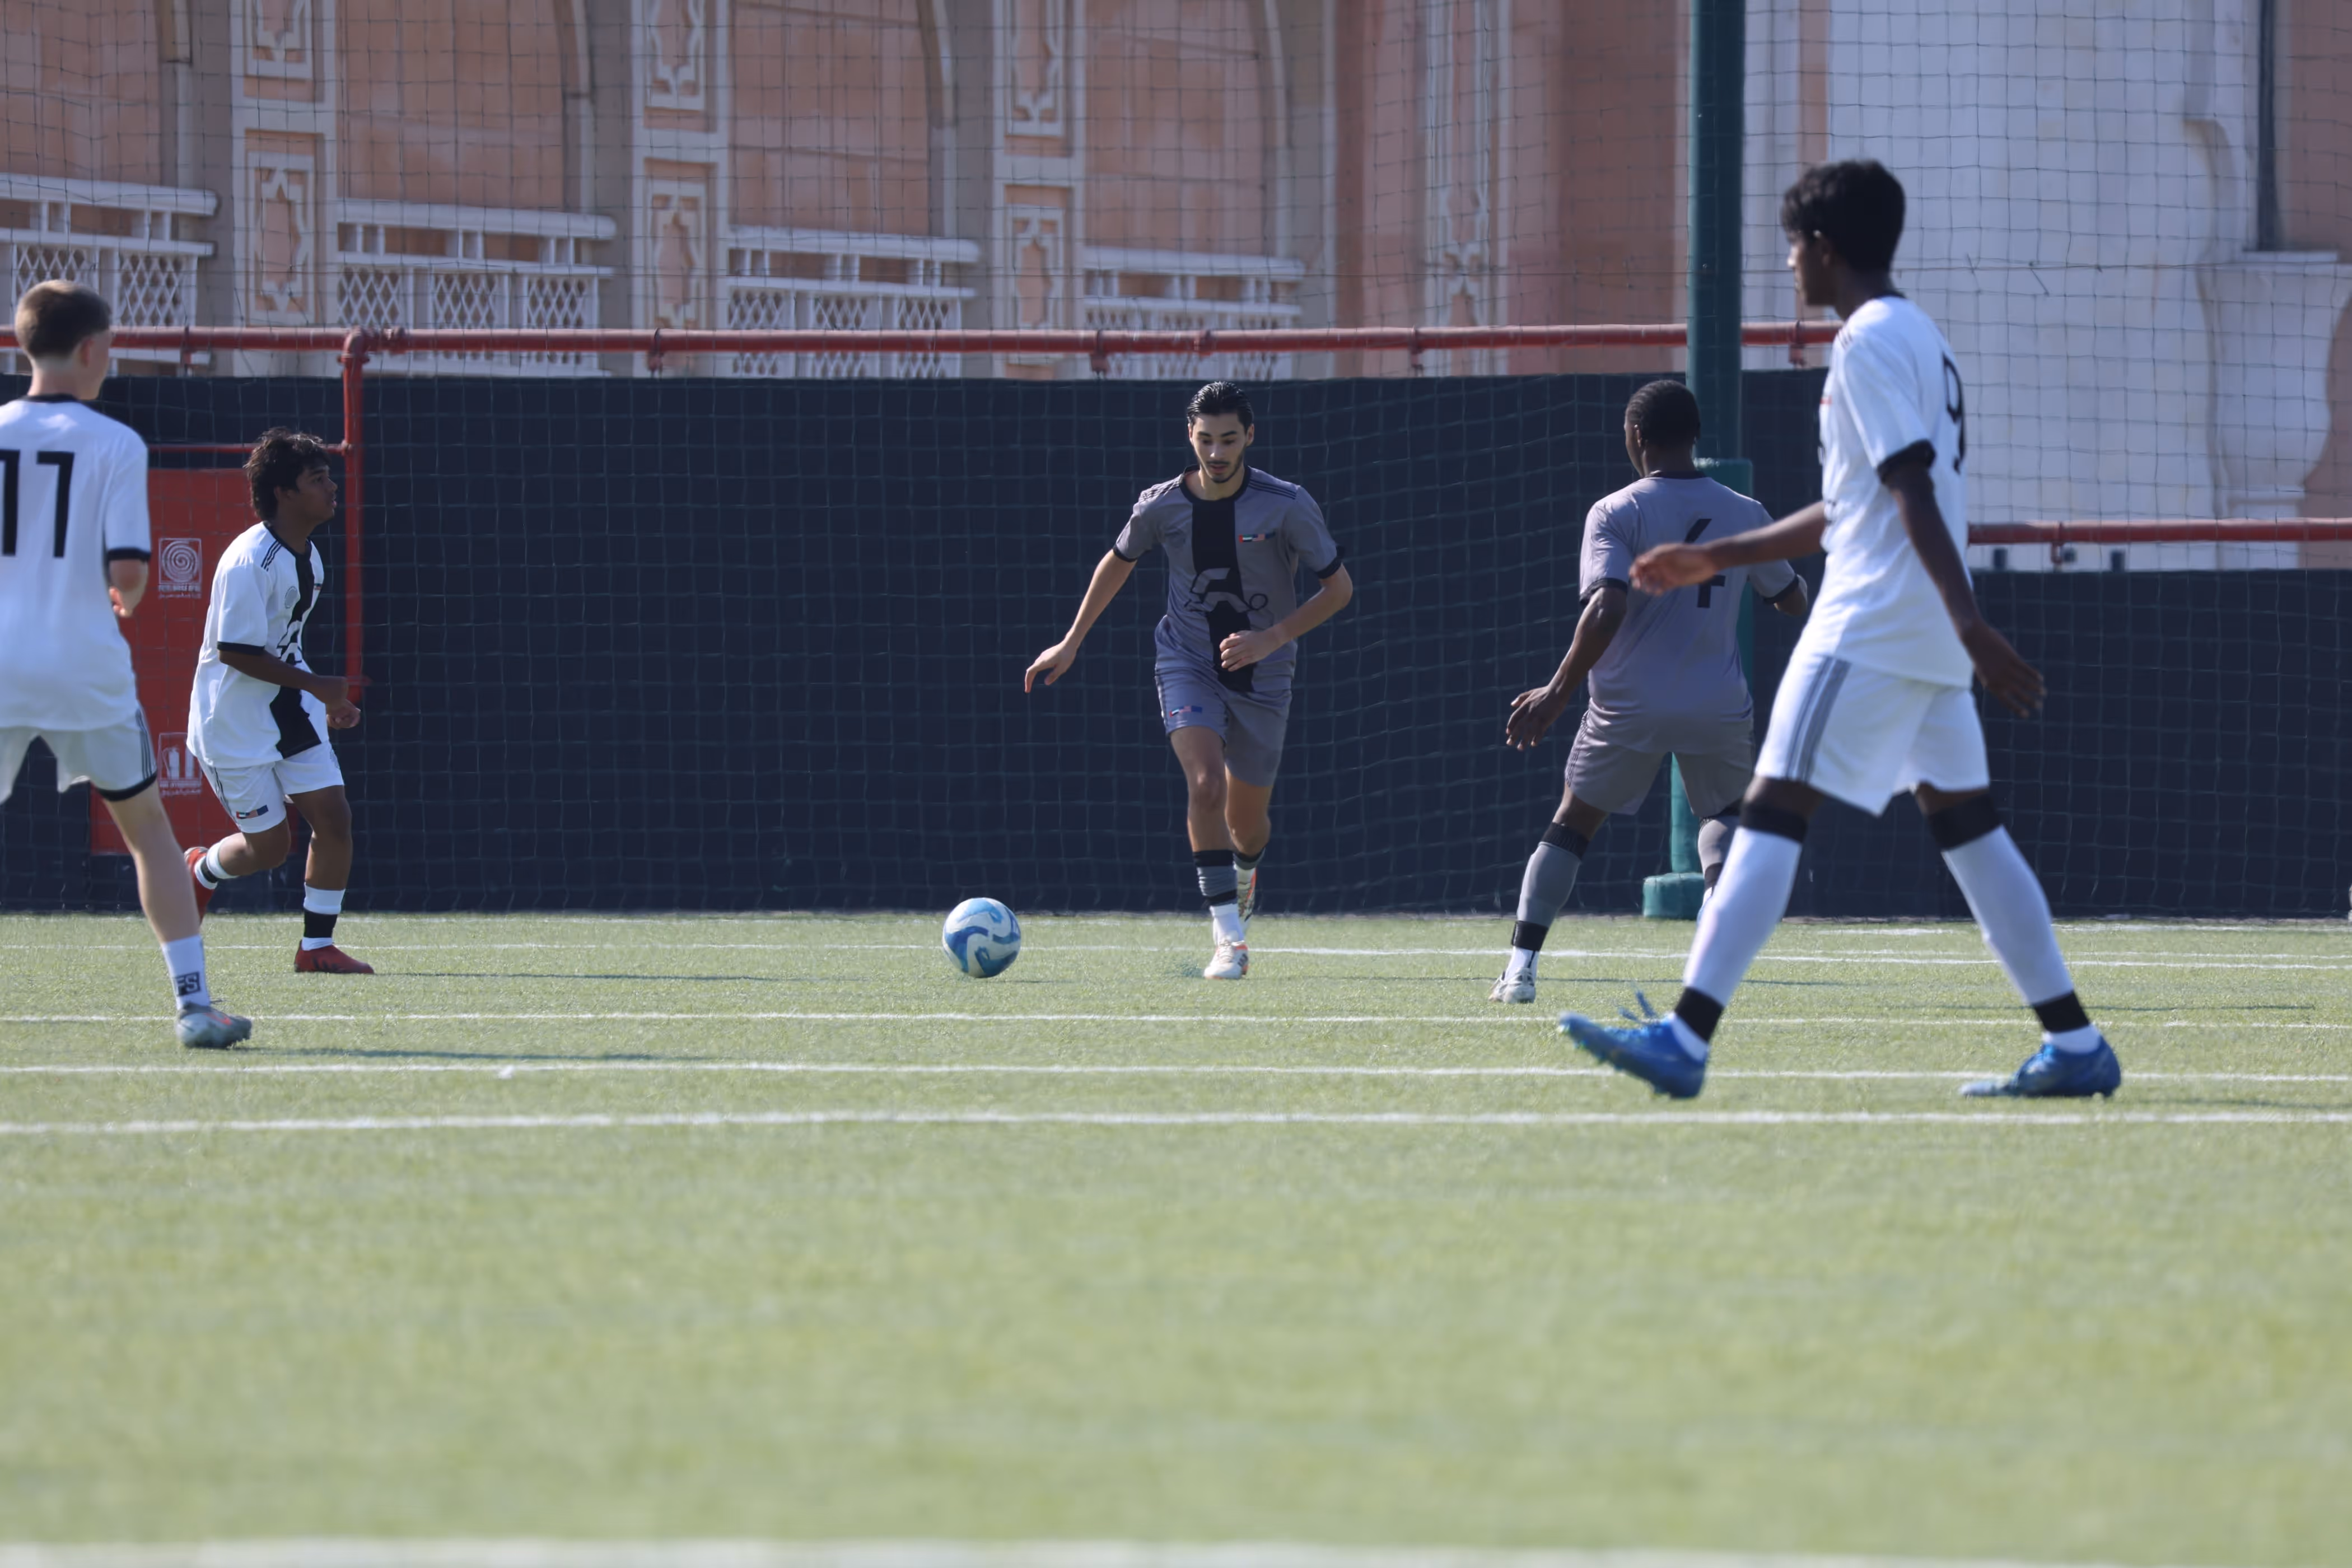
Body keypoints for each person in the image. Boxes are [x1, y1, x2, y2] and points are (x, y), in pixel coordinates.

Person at [1561, 160, 2119, 1100]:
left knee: (1769, 814)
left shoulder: (1865, 343)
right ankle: (2074, 1043)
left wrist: (1970, 622)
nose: (1788, 264)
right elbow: (1847, 504)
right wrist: (1716, 558)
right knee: (1972, 832)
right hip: (1918, 632)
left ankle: (1686, 1039)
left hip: (1872, 623)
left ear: (1823, 248)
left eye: (1792, 247)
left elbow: (1907, 488)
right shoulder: (1919, 336)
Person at [1493, 379, 1808, 1003]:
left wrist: (1558, 691)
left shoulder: (1615, 511)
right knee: (1725, 815)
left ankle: (1521, 968)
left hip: (1627, 705)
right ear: (1696, 439)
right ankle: (1716, 905)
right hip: (1716, 702)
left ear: (1635, 437)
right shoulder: (1746, 510)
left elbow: (1607, 607)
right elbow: (1794, 598)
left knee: (1574, 825)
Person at [1025, 381, 1354, 978]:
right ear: (1190, 437)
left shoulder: (1287, 504)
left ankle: (1247, 871)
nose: (1218, 451)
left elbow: (1340, 590)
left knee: (1246, 826)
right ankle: (1229, 938)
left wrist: (1271, 637)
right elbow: (1115, 563)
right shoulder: (1161, 505)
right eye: (1206, 439)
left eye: (1230, 439)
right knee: (1205, 786)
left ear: (1250, 437)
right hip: (1186, 660)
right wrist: (1070, 642)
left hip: (1265, 671)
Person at [0, 281, 251, 1048]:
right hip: (84, 665)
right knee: (148, 830)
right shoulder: (113, 442)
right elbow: (132, 575)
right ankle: (193, 1004)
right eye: (109, 350)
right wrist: (123, 599)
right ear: (89, 351)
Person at [183, 428, 372, 974]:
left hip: (288, 707)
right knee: (268, 849)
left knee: (334, 818)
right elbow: (237, 653)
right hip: (234, 721)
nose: (332, 487)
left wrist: (323, 699)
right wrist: (319, 687)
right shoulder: (251, 562)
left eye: (328, 476)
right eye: (317, 480)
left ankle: (316, 949)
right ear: (285, 494)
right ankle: (200, 870)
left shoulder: (309, 556)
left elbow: (282, 645)